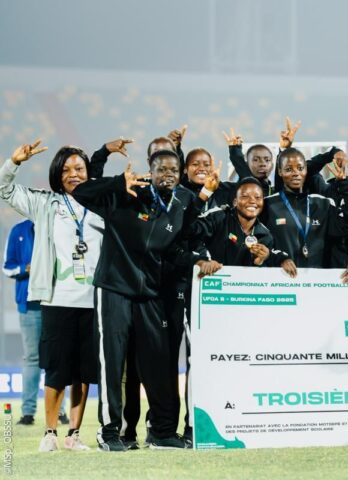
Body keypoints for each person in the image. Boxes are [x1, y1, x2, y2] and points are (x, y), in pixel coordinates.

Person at [72, 149, 219, 451]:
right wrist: (115, 183)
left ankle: (162, 431)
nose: (168, 174)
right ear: (149, 171)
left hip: (150, 291)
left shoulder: (183, 201)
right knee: (112, 362)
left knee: (159, 361)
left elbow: (185, 236)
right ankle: (109, 432)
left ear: (180, 174)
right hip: (114, 286)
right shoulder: (128, 192)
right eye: (161, 169)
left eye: (173, 170)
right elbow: (81, 191)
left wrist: (197, 258)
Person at [0, 140, 103, 452]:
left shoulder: (101, 205)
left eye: (79, 168)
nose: (73, 174)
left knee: (84, 373)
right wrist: (13, 163)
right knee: (57, 370)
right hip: (57, 299)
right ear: (58, 175)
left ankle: (73, 434)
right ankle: (50, 433)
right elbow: (3, 190)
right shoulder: (44, 203)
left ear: (88, 173)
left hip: (94, 300)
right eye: (67, 169)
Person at [3, 220, 69, 426]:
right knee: (32, 358)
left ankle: (60, 411)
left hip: (55, 301)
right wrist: (26, 268)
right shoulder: (18, 230)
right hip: (29, 305)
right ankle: (28, 412)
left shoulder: (57, 225)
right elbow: (7, 267)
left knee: (57, 358)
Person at [260, 147, 348, 268]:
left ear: (306, 170)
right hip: (280, 280)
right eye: (289, 169)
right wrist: (279, 259)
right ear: (280, 172)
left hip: (314, 282)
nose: (296, 173)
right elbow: (260, 243)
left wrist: (345, 184)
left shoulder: (322, 204)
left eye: (300, 168)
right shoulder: (268, 205)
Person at [186, 176, 295, 274]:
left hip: (240, 293)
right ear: (235, 202)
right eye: (245, 196)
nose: (252, 201)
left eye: (258, 197)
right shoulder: (219, 217)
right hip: (213, 286)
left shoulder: (265, 235)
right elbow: (189, 230)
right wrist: (204, 259)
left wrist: (262, 262)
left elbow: (261, 272)